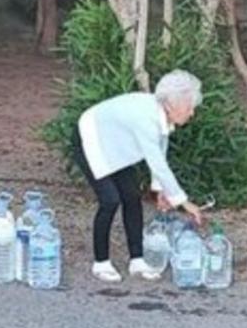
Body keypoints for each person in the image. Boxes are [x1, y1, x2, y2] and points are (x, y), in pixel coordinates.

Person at [72, 70, 205, 283]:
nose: (192, 113)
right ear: (172, 105)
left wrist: (158, 189)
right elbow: (157, 162)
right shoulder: (147, 119)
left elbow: (160, 150)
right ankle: (101, 262)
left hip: (114, 143)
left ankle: (137, 259)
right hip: (90, 138)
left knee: (132, 197)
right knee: (110, 200)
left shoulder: (161, 115)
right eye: (189, 108)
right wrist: (184, 202)